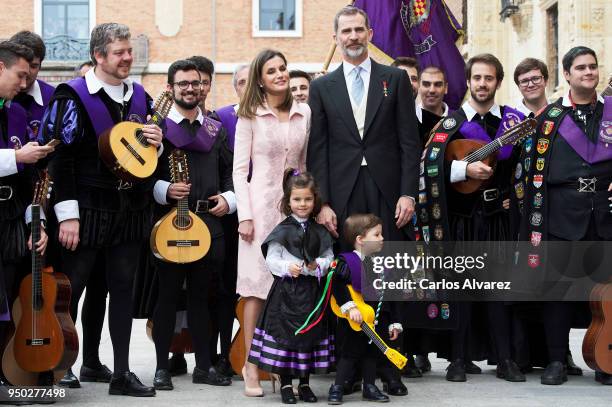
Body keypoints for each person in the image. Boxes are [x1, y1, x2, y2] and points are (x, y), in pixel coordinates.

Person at [40, 23, 162, 396]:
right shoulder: (71, 95)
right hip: (87, 210)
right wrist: (69, 216)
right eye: (120, 52)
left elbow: (147, 158)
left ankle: (121, 374)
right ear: (99, 56)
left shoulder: (141, 96)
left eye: (129, 51)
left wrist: (157, 144)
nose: (128, 57)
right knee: (70, 292)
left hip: (130, 211)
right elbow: (59, 159)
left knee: (122, 290)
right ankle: (57, 368)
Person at [417, 53, 526, 382]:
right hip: (461, 219)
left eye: (489, 78)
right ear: (468, 82)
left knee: (496, 290)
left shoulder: (513, 122)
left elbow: (523, 169)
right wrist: (464, 169)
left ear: (498, 82)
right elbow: (428, 168)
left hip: (496, 219)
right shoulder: (449, 124)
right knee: (460, 290)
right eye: (477, 78)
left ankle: (505, 358)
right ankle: (457, 359)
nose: (482, 84)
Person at [512, 46, 612, 386]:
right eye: (580, 67)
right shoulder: (549, 119)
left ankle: (605, 360)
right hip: (560, 215)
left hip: (604, 214)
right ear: (567, 75)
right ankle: (555, 360)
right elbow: (529, 172)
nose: (588, 72)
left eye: (592, 66)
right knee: (558, 293)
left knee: (606, 293)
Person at [150, 59, 235, 390]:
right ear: (170, 88)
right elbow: (145, 177)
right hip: (170, 223)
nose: (190, 88)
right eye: (183, 83)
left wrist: (229, 199)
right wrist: (165, 190)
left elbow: (229, 171)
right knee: (168, 296)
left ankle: (203, 366)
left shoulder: (216, 128)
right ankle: (160, 367)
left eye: (196, 83)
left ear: (204, 86)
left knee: (202, 297)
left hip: (209, 223)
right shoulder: (157, 129)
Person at [308, 5, 420, 246]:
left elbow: (410, 142)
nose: (353, 36)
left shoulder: (395, 78)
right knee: (350, 266)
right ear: (335, 38)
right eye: (346, 31)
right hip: (342, 191)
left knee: (390, 261)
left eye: (359, 29)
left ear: (370, 33)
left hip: (389, 191)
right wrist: (323, 203)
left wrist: (408, 194)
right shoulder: (320, 87)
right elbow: (317, 149)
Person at [233, 48, 311, 397]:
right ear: (260, 79)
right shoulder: (248, 114)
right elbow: (238, 170)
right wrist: (245, 216)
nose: (280, 74)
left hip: (292, 212)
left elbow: (305, 165)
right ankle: (251, 366)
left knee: (289, 289)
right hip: (259, 210)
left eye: (283, 68)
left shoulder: (304, 112)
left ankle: (279, 365)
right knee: (256, 290)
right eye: (272, 71)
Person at [247, 169, 334, 404]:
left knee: (308, 337)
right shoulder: (282, 230)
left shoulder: (319, 231)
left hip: (311, 295)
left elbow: (328, 256)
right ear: (288, 201)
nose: (302, 204)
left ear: (314, 200)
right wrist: (288, 267)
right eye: (297, 199)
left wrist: (320, 265)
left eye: (307, 199)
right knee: (287, 337)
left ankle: (304, 384)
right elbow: (272, 259)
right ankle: (286, 384)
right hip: (287, 293)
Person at [0, 40, 53, 389]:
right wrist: (16, 158)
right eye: (19, 75)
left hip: (14, 215)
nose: (25, 83)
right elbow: (18, 162)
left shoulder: (17, 112)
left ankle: (11, 376)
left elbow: (32, 179)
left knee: (10, 299)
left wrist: (39, 222)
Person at [327, 213, 403, 404]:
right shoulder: (346, 261)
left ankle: (369, 386)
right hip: (354, 319)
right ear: (360, 240)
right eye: (377, 235)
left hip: (374, 319)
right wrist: (350, 307)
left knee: (371, 354)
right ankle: (337, 386)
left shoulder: (381, 264)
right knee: (349, 353)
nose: (382, 238)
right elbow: (337, 285)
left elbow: (388, 294)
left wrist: (393, 321)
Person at [415, 65, 450, 145]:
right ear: (419, 87)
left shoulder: (460, 122)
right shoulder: (406, 120)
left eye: (437, 84)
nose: (432, 90)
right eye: (426, 84)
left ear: (446, 88)